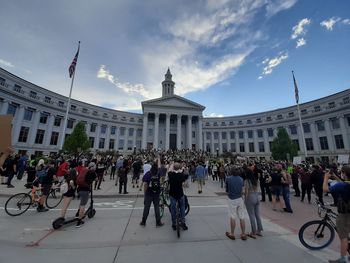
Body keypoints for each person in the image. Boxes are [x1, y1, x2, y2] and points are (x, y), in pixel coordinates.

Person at [323, 165, 350, 263]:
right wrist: (334, 176)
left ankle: (343, 259)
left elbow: (325, 189)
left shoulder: (342, 185)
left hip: (345, 215)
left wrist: (326, 178)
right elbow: (344, 184)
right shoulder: (345, 184)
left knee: (343, 237)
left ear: (344, 173)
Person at [225, 165, 247, 241]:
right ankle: (243, 233)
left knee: (233, 216)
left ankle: (232, 233)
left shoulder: (228, 179)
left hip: (232, 199)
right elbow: (242, 189)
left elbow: (227, 190)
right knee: (242, 216)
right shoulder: (241, 179)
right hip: (240, 198)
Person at [140, 159, 164, 227]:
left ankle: (143, 221)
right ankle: (158, 222)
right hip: (156, 193)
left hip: (149, 193)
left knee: (146, 208)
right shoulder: (158, 173)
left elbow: (145, 185)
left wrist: (145, 194)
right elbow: (159, 167)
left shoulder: (148, 174)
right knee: (157, 208)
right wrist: (159, 158)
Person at [168, 161, 188, 231]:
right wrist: (182, 168)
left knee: (173, 209)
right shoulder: (181, 175)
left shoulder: (170, 174)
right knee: (182, 207)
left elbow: (170, 169)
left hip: (172, 193)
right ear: (179, 168)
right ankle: (183, 222)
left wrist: (173, 165)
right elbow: (186, 174)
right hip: (180, 193)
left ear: (173, 168)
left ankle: (174, 223)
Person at [244, 165, 263, 238]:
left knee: (251, 215)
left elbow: (246, 191)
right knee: (257, 215)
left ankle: (253, 231)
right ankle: (259, 230)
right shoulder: (255, 180)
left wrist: (245, 199)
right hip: (257, 196)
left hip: (250, 197)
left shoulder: (247, 181)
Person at [76, 162, 97, 228]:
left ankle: (78, 214)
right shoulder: (92, 172)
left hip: (79, 189)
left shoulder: (84, 170)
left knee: (81, 202)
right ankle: (79, 221)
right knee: (83, 205)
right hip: (85, 189)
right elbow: (96, 179)